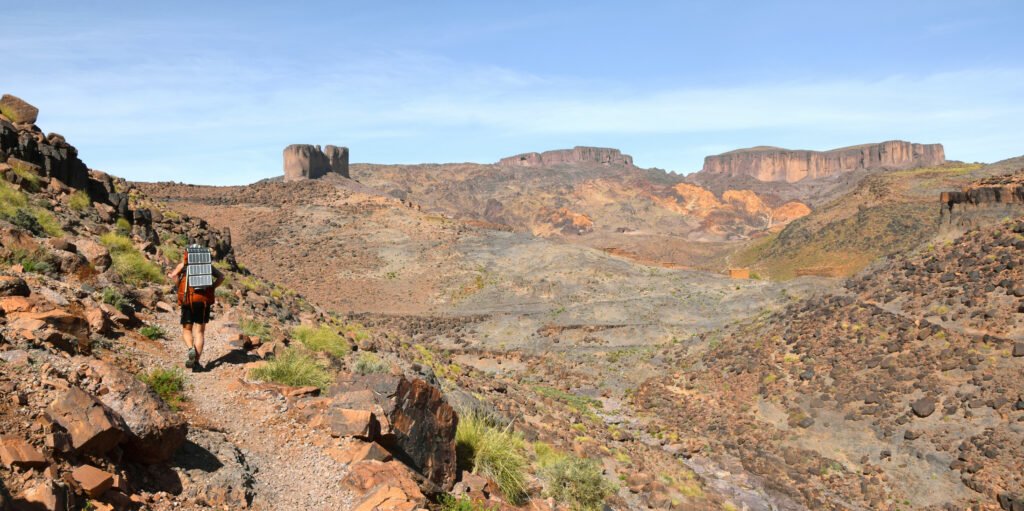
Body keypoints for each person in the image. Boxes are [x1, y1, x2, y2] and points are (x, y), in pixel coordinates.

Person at [167, 250, 224, 371]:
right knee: (200, 332)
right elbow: (221, 277)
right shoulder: (208, 266)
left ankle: (190, 349)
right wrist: (212, 287)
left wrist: (179, 286)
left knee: (187, 329)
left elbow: (174, 276)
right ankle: (196, 363)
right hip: (203, 301)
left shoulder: (183, 265)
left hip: (188, 299)